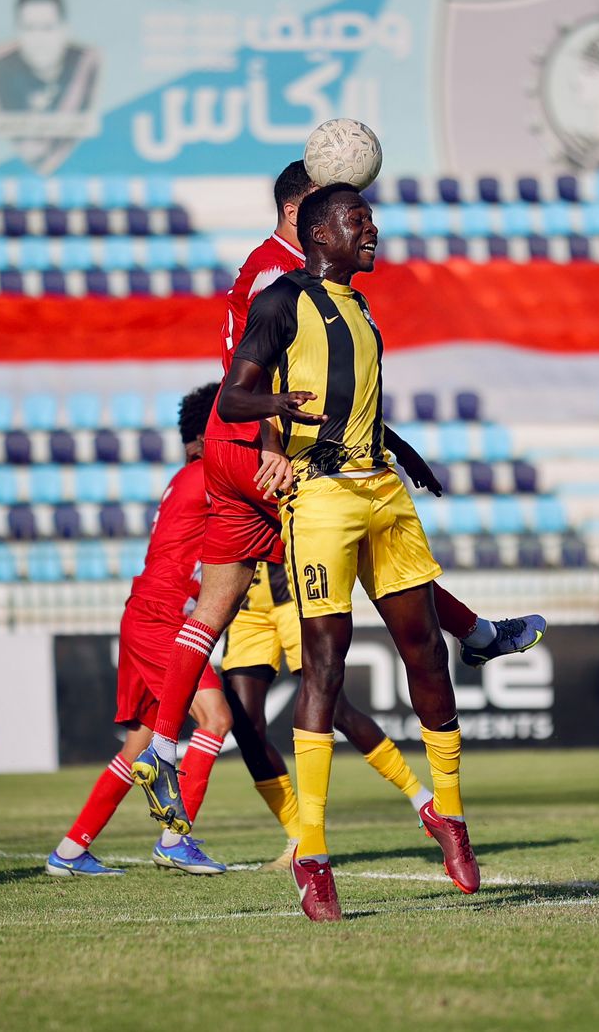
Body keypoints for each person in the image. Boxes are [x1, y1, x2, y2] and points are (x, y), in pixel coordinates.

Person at [132, 160, 545, 841]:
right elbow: (287, 373)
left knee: (216, 608)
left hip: (227, 448)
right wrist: (272, 443)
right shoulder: (286, 278)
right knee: (351, 622)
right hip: (267, 450)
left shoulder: (267, 271)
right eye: (345, 213)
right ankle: (466, 667)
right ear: (304, 215)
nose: (363, 225)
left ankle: (162, 751)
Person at [219, 183, 479, 921]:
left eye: (370, 218)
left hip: (382, 489)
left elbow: (355, 403)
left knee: (427, 649)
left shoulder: (362, 308)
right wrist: (278, 409)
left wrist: (404, 450)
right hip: (322, 497)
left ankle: (450, 816)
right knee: (325, 662)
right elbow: (234, 398)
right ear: (317, 231)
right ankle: (314, 854)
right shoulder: (280, 302)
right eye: (357, 220)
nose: (372, 230)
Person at [46, 385, 241, 878]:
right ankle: (176, 839)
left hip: (145, 610)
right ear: (210, 433)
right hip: (165, 617)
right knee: (215, 718)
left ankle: (70, 851)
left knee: (140, 745)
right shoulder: (210, 475)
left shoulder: (185, 478)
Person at [221, 560, 439, 871]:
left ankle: (420, 797)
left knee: (338, 710)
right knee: (245, 725)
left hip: (294, 600)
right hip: (247, 609)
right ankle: (298, 839)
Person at [0, 0, 99, 175]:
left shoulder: (84, 65)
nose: (39, 39)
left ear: (65, 30)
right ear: (17, 33)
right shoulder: (1, 68)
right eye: (29, 28)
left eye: (47, 28)